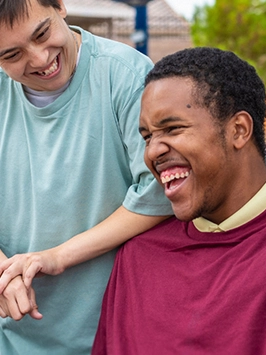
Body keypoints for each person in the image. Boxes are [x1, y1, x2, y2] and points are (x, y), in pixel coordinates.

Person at [92, 47, 266, 354]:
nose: (152, 152)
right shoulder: (138, 256)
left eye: (172, 128)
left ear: (238, 130)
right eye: (147, 136)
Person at [0, 0, 172, 354]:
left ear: (60, 6)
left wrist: (58, 256)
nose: (38, 59)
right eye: (12, 54)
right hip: (12, 337)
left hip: (111, 332)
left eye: (43, 33)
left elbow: (158, 193)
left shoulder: (125, 75)